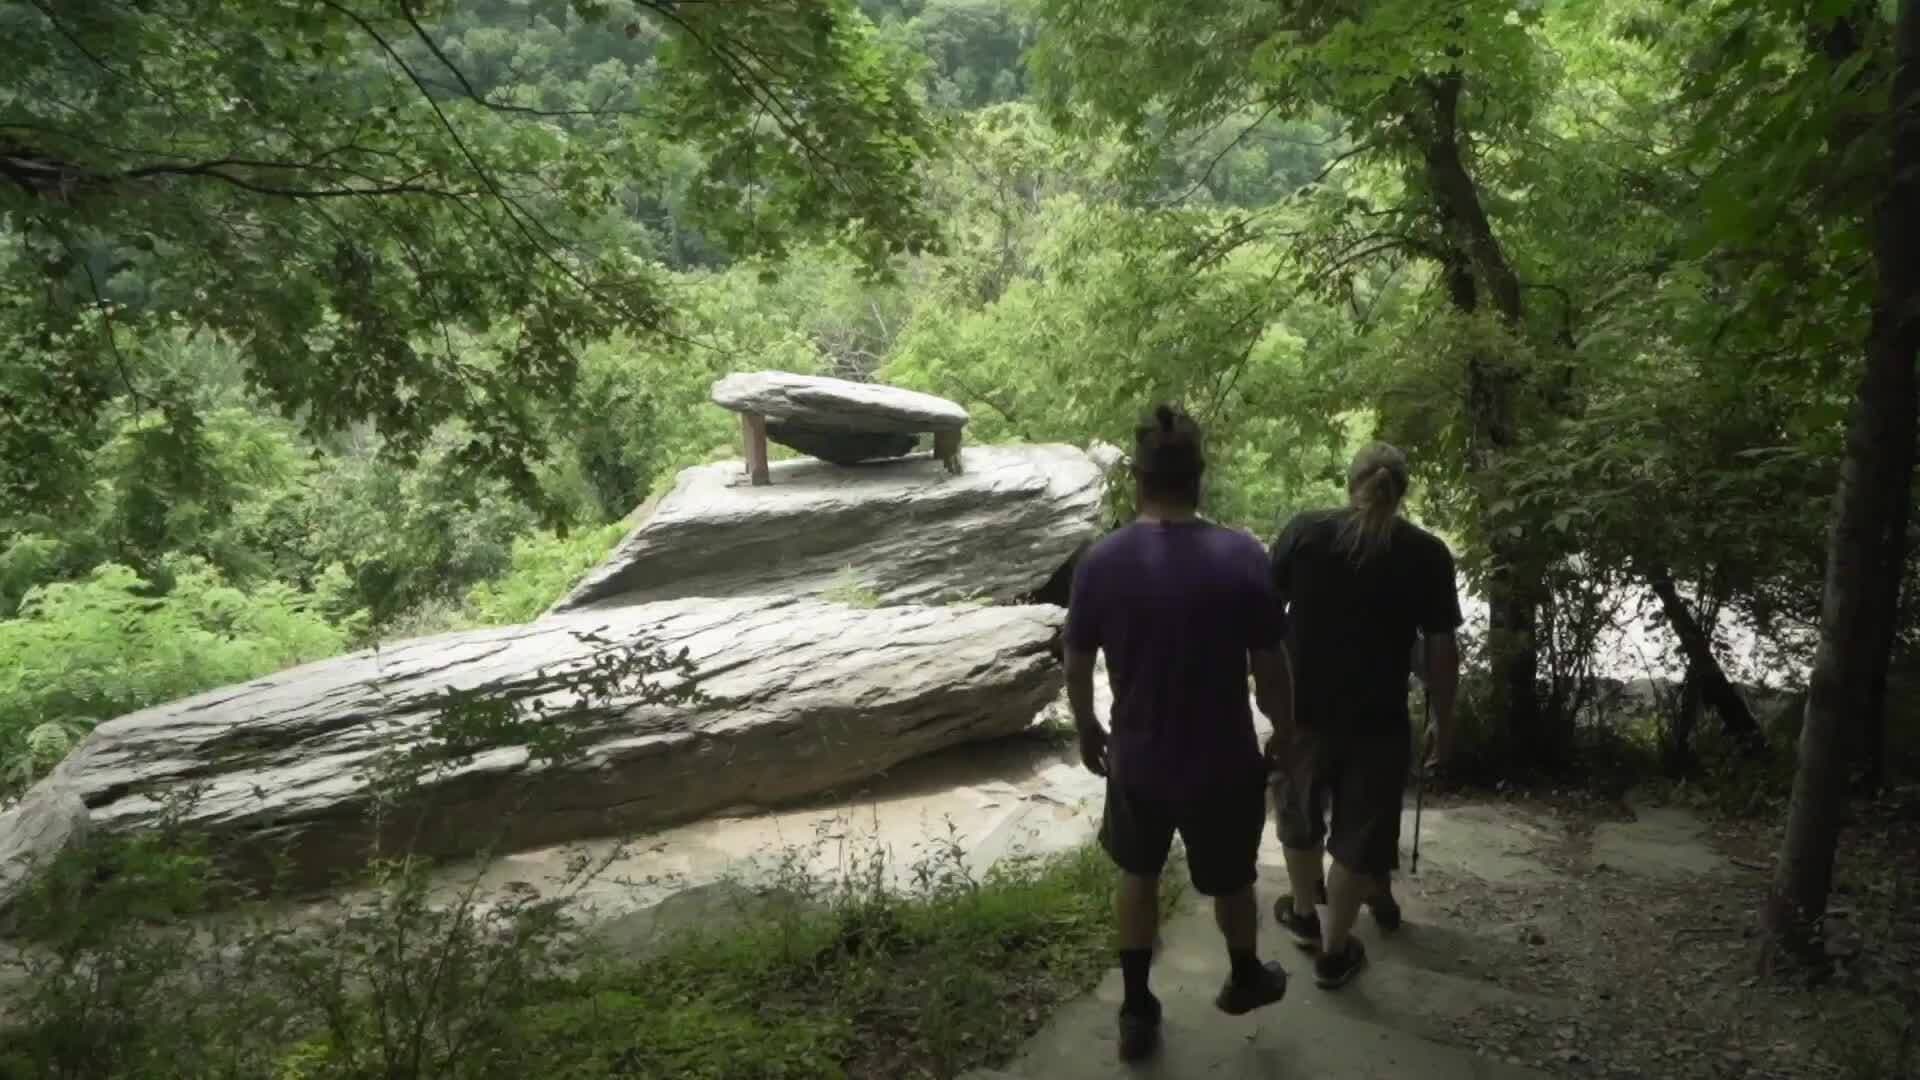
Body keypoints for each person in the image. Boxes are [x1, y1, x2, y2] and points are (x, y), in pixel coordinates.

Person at [1064, 404, 1295, 1063]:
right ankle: (1245, 973)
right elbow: (1271, 665)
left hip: (1138, 758)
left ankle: (1136, 1009)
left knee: (1136, 874)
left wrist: (1087, 726)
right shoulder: (1241, 555)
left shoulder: (1101, 563)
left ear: (1138, 480)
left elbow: (1077, 661)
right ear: (1200, 478)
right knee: (1231, 880)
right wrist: (1286, 728)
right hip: (1223, 762)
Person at [1266, 442, 1462, 989]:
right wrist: (1444, 725)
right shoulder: (1426, 553)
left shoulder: (1305, 532)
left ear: (1348, 482)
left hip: (1302, 711)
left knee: (1298, 813)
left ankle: (1304, 914)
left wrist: (1265, 693)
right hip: (1378, 720)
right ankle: (1334, 953)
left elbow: (1260, 618)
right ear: (1404, 492)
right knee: (1358, 834)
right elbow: (1441, 653)